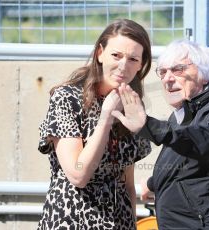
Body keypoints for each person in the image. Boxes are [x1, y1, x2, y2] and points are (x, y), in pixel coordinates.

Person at [112, 39, 209, 229]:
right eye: (162, 72)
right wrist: (155, 183)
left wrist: (149, 125)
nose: (167, 79)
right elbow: (186, 159)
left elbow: (206, 141)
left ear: (204, 75)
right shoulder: (185, 112)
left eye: (178, 69)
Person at [37, 19, 152, 229]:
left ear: (141, 66)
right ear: (100, 53)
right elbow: (78, 175)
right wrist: (106, 118)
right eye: (116, 55)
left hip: (119, 222)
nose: (123, 66)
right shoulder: (67, 98)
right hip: (72, 220)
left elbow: (127, 184)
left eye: (133, 59)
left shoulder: (132, 103)